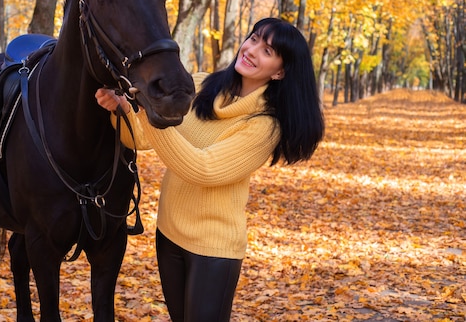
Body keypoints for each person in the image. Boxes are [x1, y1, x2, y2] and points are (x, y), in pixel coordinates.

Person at [95, 17, 324, 322]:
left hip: (213, 249)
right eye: (254, 39)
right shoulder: (202, 84)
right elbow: (139, 138)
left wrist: (151, 113)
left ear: (280, 72)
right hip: (169, 235)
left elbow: (204, 168)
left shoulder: (265, 126)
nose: (252, 50)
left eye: (267, 51)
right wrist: (123, 110)